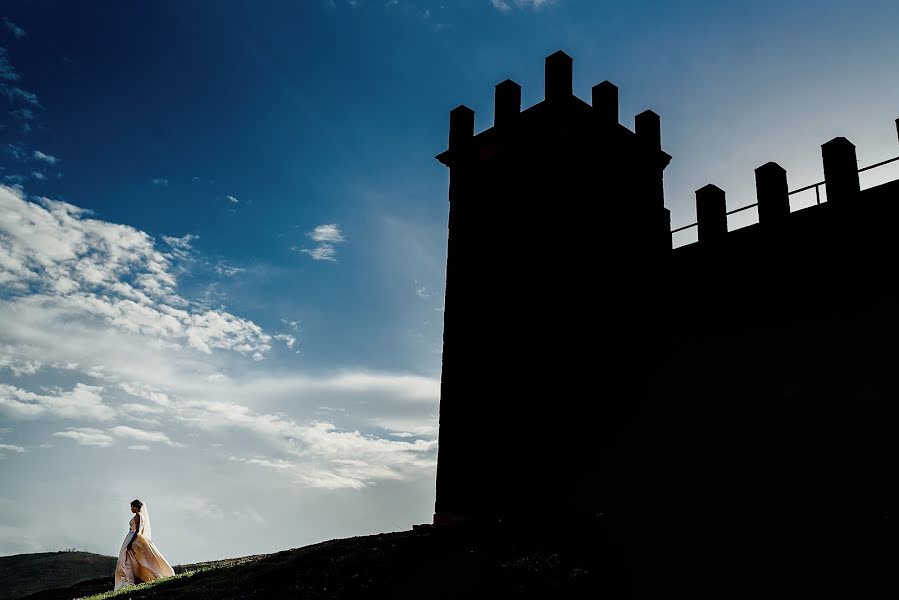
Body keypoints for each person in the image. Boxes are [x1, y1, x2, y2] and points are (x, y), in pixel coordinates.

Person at [113, 499, 175, 590]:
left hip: (133, 537)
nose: (131, 509)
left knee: (126, 559)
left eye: (132, 507)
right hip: (131, 536)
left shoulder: (138, 516)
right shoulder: (140, 516)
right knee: (131, 559)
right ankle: (131, 578)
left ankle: (129, 580)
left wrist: (130, 542)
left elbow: (137, 530)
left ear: (136, 507)